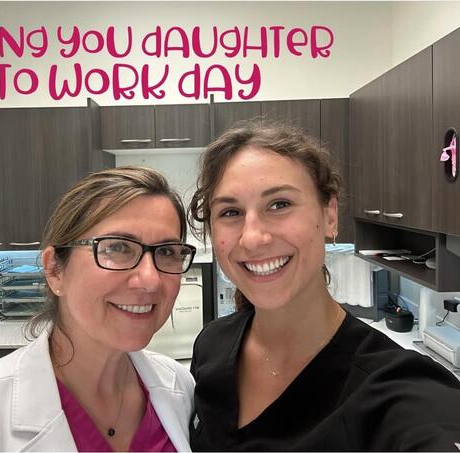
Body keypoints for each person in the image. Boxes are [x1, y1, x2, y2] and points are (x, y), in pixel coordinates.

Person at [187, 120, 460, 451]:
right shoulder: (211, 345)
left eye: (279, 204)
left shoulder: (395, 390)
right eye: (230, 212)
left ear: (329, 214)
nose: (253, 238)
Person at [0, 166, 196, 452]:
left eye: (167, 252)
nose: (150, 280)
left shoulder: (180, 389)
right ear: (54, 270)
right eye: (116, 247)